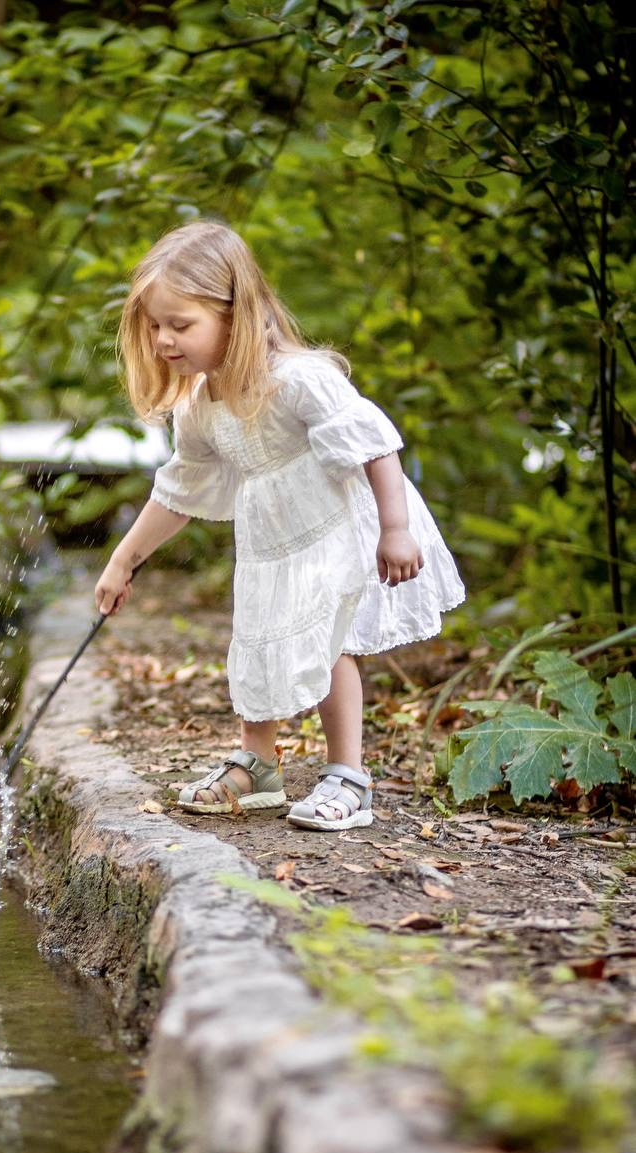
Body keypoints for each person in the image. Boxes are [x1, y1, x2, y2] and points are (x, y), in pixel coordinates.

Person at [95, 221, 464, 831]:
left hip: (336, 530)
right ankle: (258, 764)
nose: (163, 340)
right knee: (258, 640)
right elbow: (181, 490)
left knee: (328, 646)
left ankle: (348, 774)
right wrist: (124, 559)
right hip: (271, 544)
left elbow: (374, 445)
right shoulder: (199, 404)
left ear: (234, 313)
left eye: (180, 324)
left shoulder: (298, 379)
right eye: (154, 326)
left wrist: (394, 530)